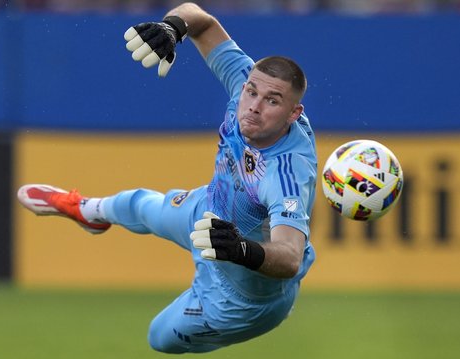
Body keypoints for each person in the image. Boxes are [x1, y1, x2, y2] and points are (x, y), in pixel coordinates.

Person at [17, 2, 317, 354]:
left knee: (159, 337)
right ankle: (87, 211)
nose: (253, 105)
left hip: (243, 291)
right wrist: (173, 27)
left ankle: (258, 301)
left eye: (272, 101)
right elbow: (201, 19)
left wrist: (239, 249)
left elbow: (290, 256)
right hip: (209, 213)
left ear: (294, 113)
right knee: (139, 204)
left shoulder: (287, 171)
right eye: (252, 92)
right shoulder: (246, 82)